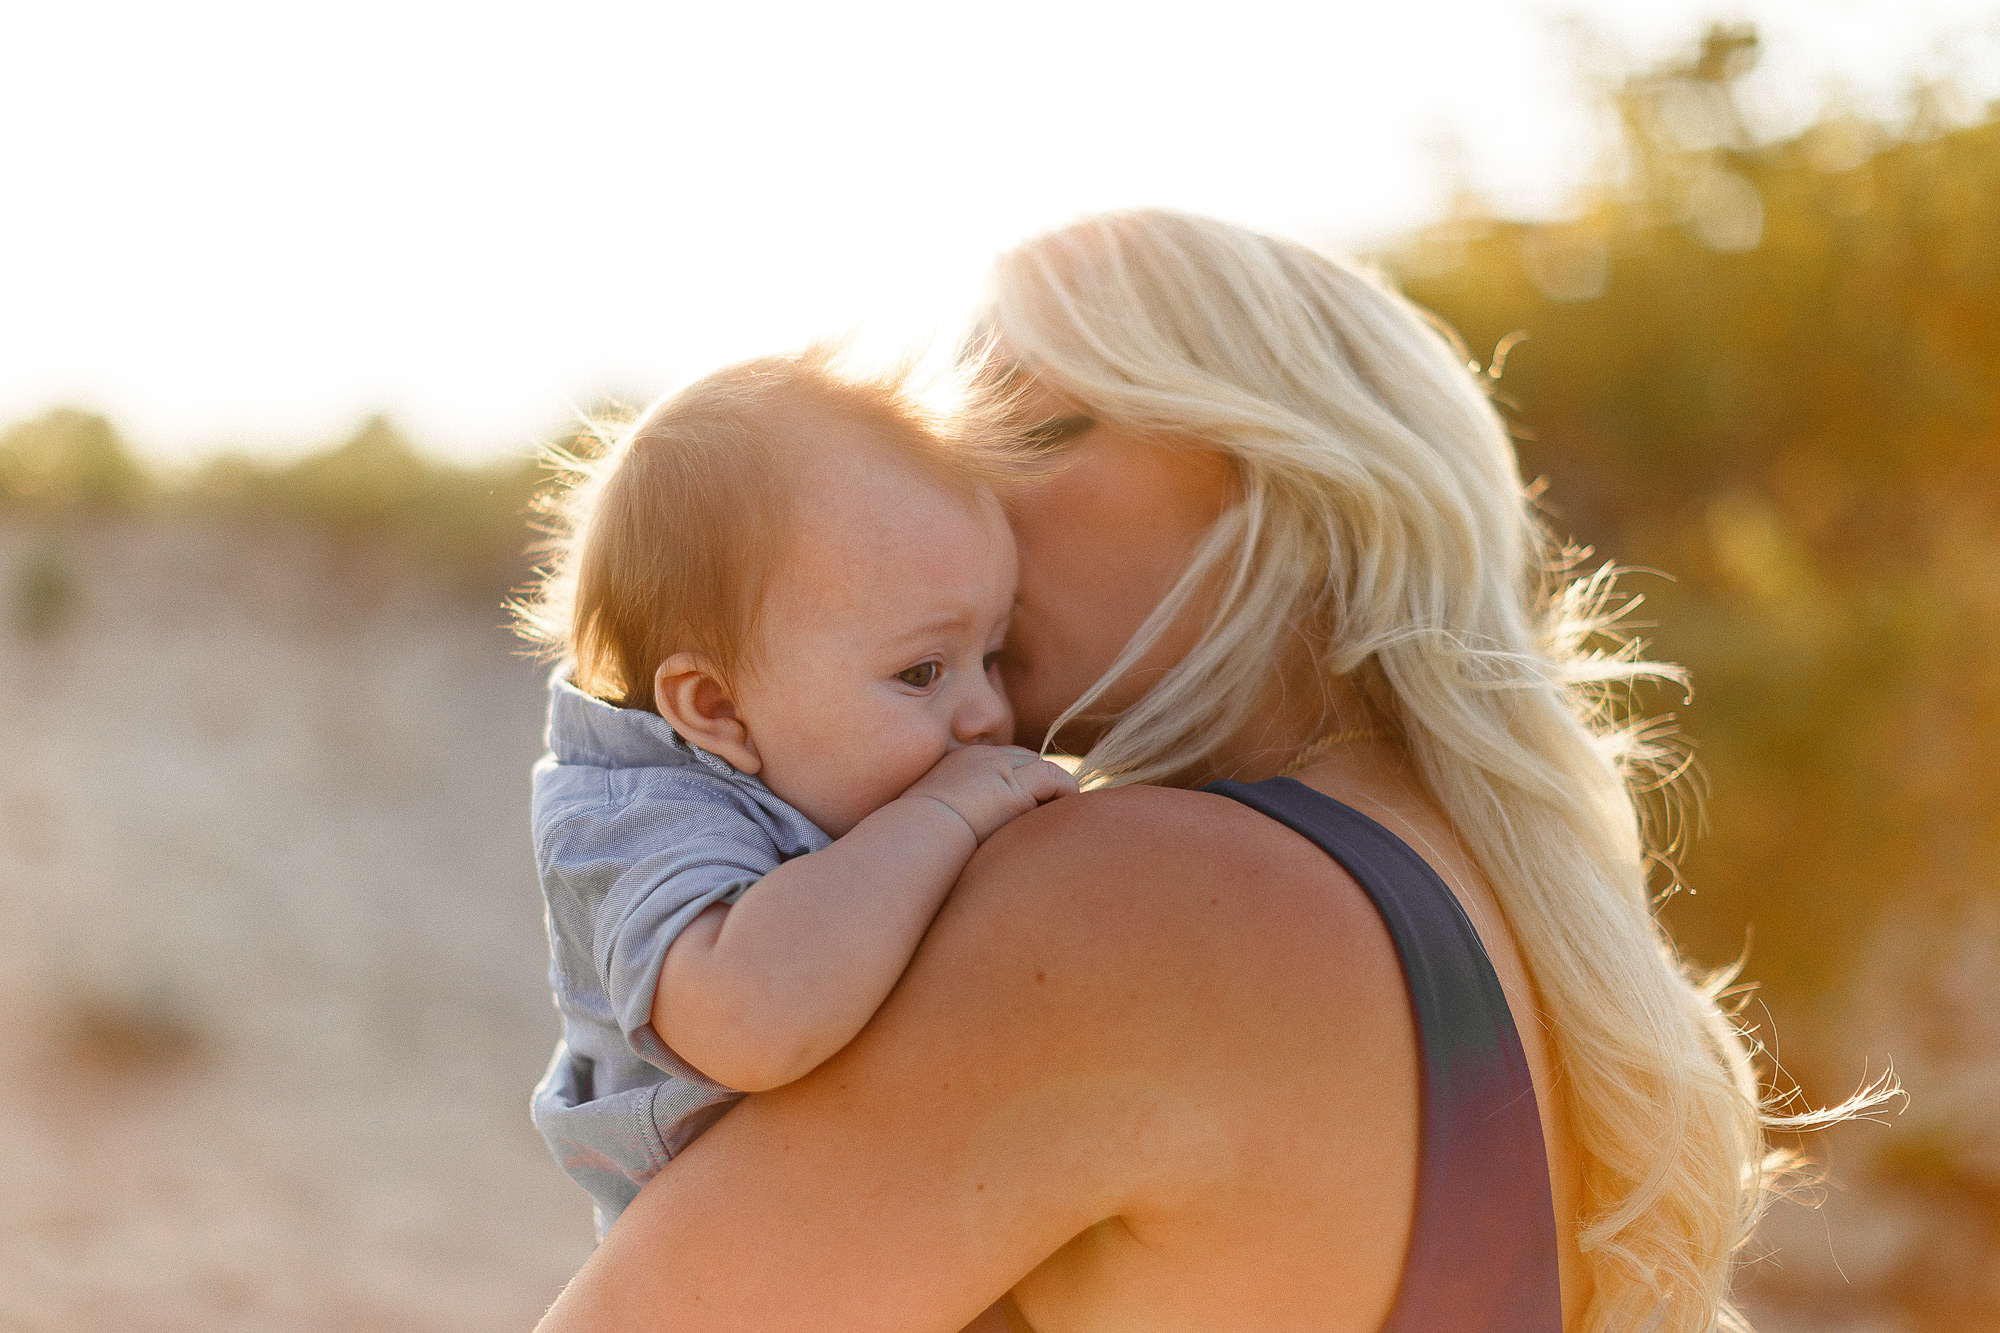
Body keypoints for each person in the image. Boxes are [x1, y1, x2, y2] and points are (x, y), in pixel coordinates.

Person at [534, 210, 1844, 1333]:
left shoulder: (1149, 894)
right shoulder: (1506, 921)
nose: (961, 505)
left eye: (1031, 432)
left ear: (1267, 482)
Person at [514, 349, 1076, 1236]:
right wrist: (942, 817)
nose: (986, 711)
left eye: (993, 655)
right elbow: (752, 1012)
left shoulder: (829, 781)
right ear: (717, 707)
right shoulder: (634, 819)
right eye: (924, 669)